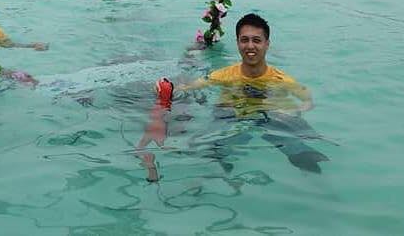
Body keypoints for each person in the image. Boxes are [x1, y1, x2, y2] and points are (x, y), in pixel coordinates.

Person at [137, 13, 326, 181]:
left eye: (256, 40)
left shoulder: (282, 79)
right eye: (244, 40)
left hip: (269, 115)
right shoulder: (223, 75)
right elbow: (188, 87)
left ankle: (314, 179)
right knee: (204, 147)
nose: (250, 46)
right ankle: (213, 173)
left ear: (267, 44)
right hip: (230, 116)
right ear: (237, 43)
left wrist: (294, 110)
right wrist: (164, 88)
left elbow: (308, 100)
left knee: (300, 145)